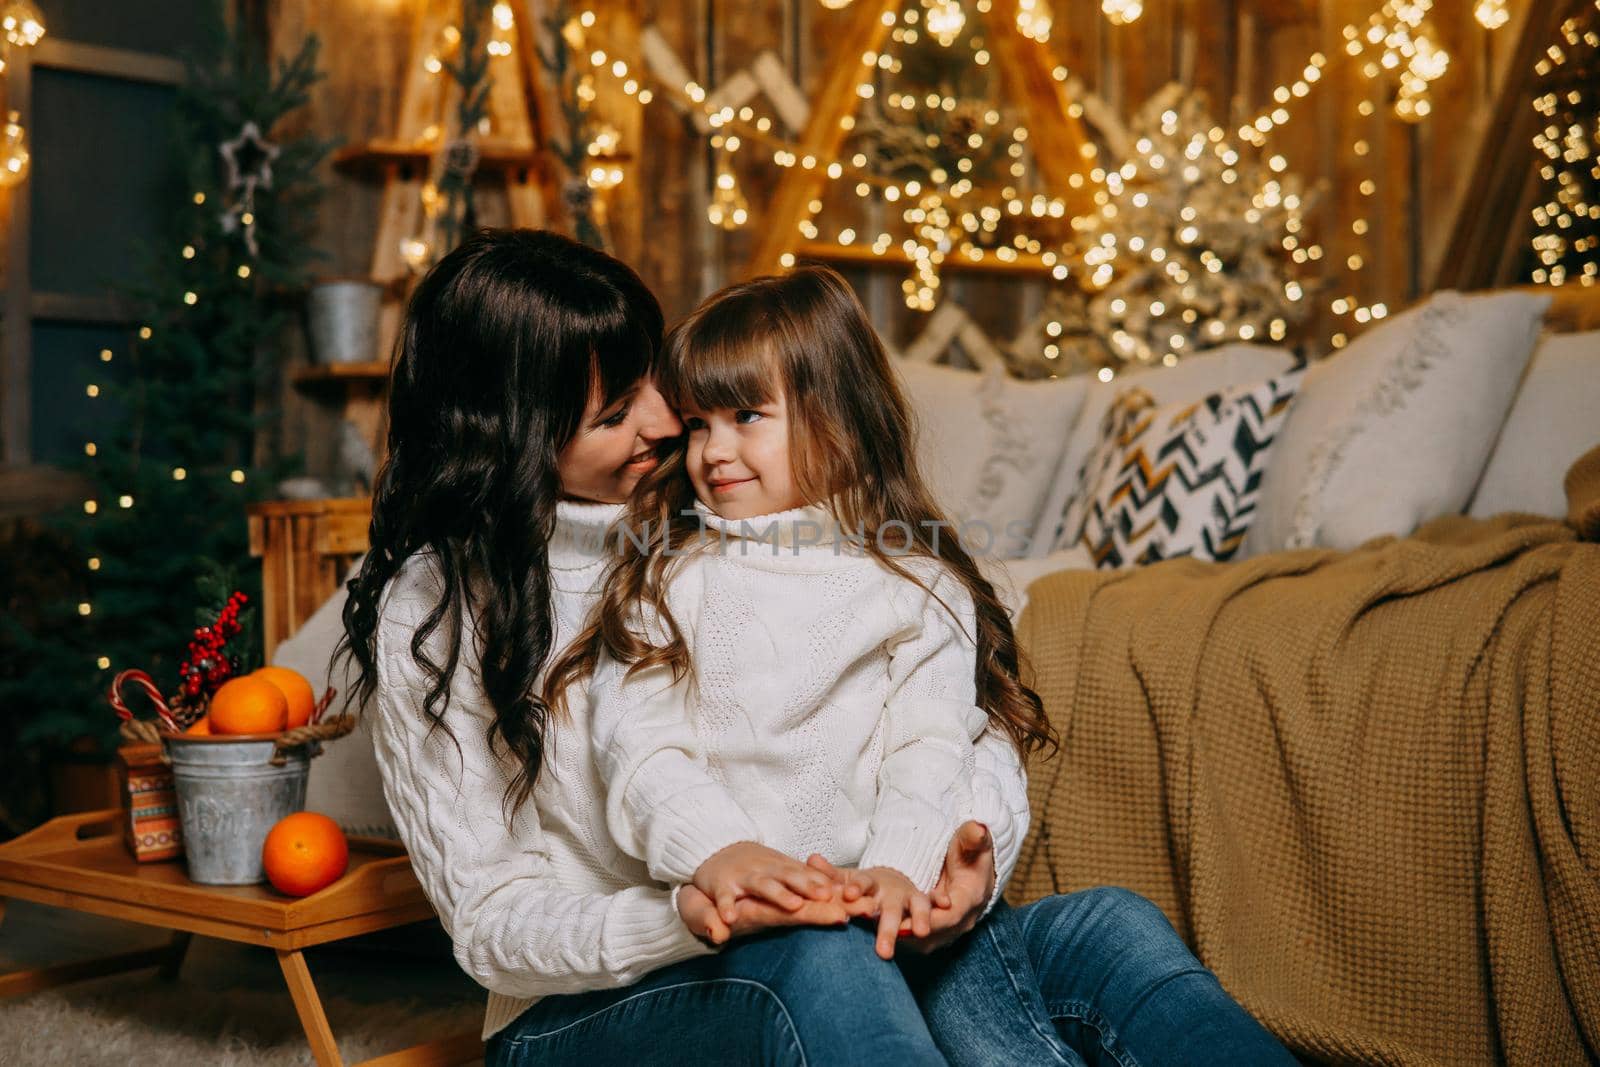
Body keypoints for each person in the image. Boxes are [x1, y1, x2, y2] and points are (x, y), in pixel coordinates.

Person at [338, 227, 1298, 1066]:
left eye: (655, 387)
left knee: (1108, 928)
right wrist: (685, 914)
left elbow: (950, 724)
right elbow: (494, 918)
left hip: (843, 923)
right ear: (510, 436)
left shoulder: (713, 507)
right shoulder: (442, 611)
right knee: (822, 954)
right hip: (589, 1012)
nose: (671, 426)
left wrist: (959, 870)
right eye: (615, 412)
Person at [544, 265, 1054, 972]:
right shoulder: (665, 577)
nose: (712, 451)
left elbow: (929, 746)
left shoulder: (919, 585)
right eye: (698, 423)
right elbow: (639, 743)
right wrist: (717, 851)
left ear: (839, 417)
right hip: (732, 927)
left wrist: (895, 870)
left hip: (877, 909)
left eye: (745, 416)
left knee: (1111, 927)